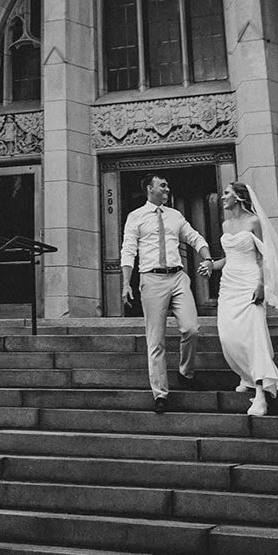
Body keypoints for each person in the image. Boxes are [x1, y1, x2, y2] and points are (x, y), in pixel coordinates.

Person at [198, 179, 278, 419]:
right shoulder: (226, 224)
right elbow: (228, 258)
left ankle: (261, 394)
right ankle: (248, 375)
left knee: (253, 336)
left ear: (239, 197)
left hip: (250, 282)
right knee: (228, 336)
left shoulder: (254, 221)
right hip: (229, 285)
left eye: (227, 193)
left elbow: (264, 257)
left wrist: (262, 284)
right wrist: (211, 264)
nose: (222, 197)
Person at [121, 173, 212, 413]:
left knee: (192, 329)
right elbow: (128, 250)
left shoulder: (175, 216)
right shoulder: (136, 217)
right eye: (162, 185)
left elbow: (193, 237)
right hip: (151, 279)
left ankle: (186, 372)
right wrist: (126, 283)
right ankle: (160, 394)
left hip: (178, 277)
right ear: (149, 189)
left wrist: (207, 258)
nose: (167, 188)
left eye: (168, 185)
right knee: (156, 340)